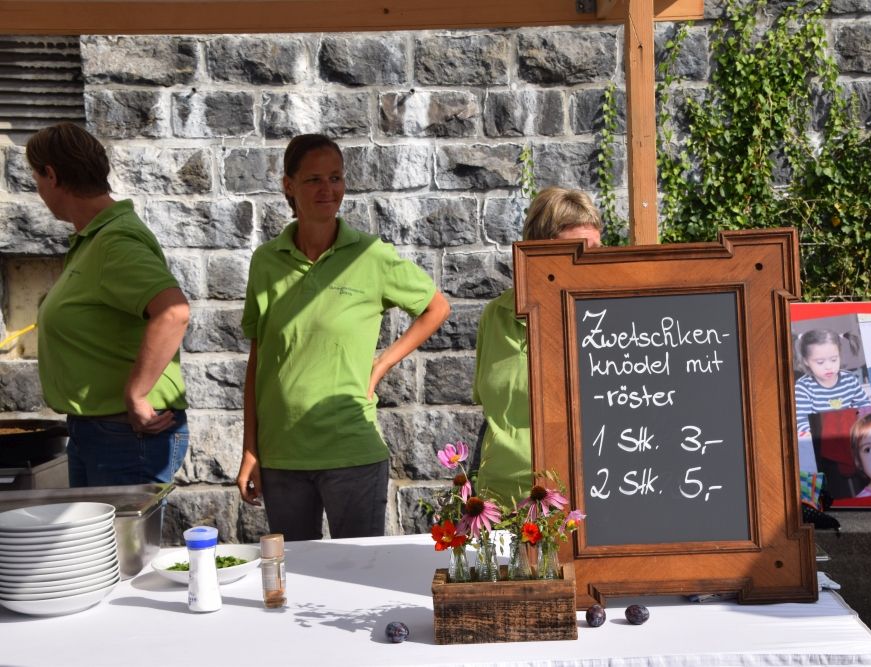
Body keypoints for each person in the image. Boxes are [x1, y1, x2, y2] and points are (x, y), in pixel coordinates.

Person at [237, 134, 450, 541]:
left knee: (361, 571)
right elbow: (258, 362)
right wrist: (251, 449)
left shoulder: (370, 255)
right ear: (288, 186)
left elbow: (435, 308)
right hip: (282, 457)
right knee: (294, 574)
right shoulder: (266, 262)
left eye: (335, 178)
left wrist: (382, 364)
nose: (328, 189)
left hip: (352, 453)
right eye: (314, 179)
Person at [26, 123, 190, 487]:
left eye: (36, 178)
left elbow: (174, 312)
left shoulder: (116, 240)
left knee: (118, 530)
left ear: (52, 175)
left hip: (124, 436)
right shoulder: (94, 239)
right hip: (100, 432)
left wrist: (137, 393)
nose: (38, 190)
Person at [472, 187, 602, 505]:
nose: (588, 263)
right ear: (537, 251)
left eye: (596, 251)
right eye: (575, 252)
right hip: (498, 499)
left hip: (583, 496)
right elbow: (489, 408)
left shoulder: (608, 319)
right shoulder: (497, 315)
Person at [794, 329, 871, 435]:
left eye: (834, 360)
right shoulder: (803, 387)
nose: (829, 366)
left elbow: (864, 406)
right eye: (820, 362)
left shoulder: (849, 380)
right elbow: (801, 422)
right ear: (806, 361)